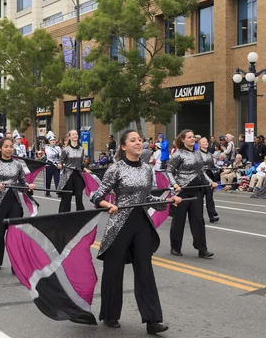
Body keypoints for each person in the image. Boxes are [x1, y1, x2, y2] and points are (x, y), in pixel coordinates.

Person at [92, 130, 182, 334]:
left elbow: (147, 198)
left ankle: (152, 320)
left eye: (140, 140)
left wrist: (169, 201)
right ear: (124, 146)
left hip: (141, 223)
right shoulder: (115, 169)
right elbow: (97, 195)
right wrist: (108, 205)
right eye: (133, 140)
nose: (138, 143)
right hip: (119, 224)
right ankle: (109, 313)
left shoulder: (146, 169)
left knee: (145, 270)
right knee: (113, 271)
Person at [0, 137, 36, 272]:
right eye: (6, 146)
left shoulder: (18, 165)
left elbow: (22, 184)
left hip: (14, 200)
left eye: (11, 146)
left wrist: (29, 186)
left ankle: (16, 263)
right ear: (0, 148)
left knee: (15, 234)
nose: (9, 149)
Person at [167, 129, 217, 258]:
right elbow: (169, 171)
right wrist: (175, 185)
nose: (192, 139)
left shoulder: (197, 154)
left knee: (198, 220)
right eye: (189, 137)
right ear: (183, 139)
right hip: (182, 191)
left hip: (196, 190)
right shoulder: (178, 154)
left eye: (193, 137)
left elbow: (202, 171)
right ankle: (175, 247)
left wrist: (211, 182)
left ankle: (202, 248)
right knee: (179, 220)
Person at [57, 129, 91, 213]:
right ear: (69, 137)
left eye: (76, 134)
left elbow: (81, 164)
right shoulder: (65, 150)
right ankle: (64, 216)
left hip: (78, 175)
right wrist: (59, 165)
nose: (75, 136)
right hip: (68, 176)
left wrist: (86, 169)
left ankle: (79, 216)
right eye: (73, 134)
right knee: (67, 198)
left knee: (79, 197)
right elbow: (60, 161)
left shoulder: (81, 149)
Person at [199, 137, 219, 223]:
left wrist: (221, 168)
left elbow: (212, 165)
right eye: (204, 142)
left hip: (209, 174)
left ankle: (211, 216)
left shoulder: (210, 154)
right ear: (200, 144)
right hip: (201, 176)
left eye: (206, 142)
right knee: (200, 198)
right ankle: (198, 217)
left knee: (209, 197)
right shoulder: (197, 154)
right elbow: (199, 168)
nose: (206, 143)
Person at [44, 131, 61, 197]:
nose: (53, 141)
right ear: (49, 141)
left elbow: (61, 155)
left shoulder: (58, 147)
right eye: (51, 140)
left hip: (56, 165)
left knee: (57, 179)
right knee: (48, 179)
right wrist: (57, 154)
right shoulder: (47, 147)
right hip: (49, 164)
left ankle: (59, 192)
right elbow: (50, 154)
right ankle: (47, 192)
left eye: (54, 140)